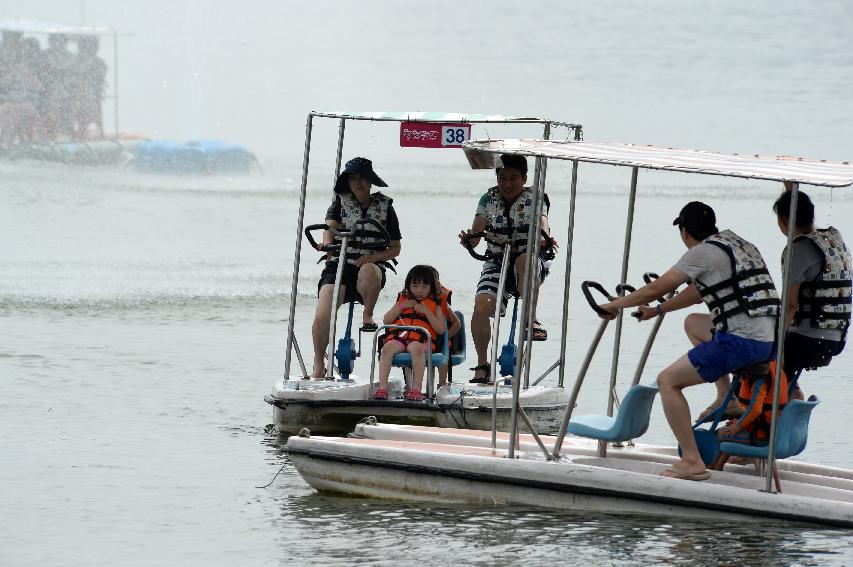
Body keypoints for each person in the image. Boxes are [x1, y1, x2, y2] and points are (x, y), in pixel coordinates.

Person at [596, 201, 780, 481]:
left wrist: (616, 304)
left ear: (684, 231)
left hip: (740, 342)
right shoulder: (734, 243)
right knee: (694, 323)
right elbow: (695, 293)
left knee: (668, 381)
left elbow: (659, 287)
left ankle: (692, 461)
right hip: (766, 341)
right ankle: (723, 397)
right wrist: (657, 310)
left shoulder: (703, 253)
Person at [699, 188, 851, 412]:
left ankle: (743, 410)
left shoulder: (798, 250)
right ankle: (787, 402)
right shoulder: (831, 239)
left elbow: (791, 305)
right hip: (835, 337)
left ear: (783, 220)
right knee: (770, 354)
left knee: (753, 345)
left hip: (806, 339)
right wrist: (791, 188)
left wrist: (774, 345)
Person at [458, 154, 556, 383]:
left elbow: (543, 222)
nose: (507, 184)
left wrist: (545, 238)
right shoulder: (487, 198)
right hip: (496, 260)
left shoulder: (537, 198)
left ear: (524, 178)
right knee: (481, 306)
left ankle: (531, 320)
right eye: (502, 178)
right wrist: (468, 240)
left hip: (529, 259)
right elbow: (476, 235)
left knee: (524, 260)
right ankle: (482, 365)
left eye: (513, 178)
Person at [310, 157, 402, 379]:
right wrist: (327, 244)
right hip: (339, 265)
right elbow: (328, 229)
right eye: (353, 179)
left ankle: (368, 314)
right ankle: (318, 362)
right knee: (323, 312)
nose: (358, 183)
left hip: (370, 268)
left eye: (362, 178)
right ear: (347, 183)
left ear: (370, 182)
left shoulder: (386, 208)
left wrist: (374, 256)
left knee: (369, 269)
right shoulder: (338, 204)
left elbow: (396, 248)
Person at [374, 265, 446, 401]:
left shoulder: (434, 306)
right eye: (415, 286)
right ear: (408, 286)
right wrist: (402, 307)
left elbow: (440, 329)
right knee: (387, 348)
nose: (419, 291)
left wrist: (427, 312)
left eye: (424, 287)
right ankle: (382, 387)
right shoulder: (403, 301)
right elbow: (386, 320)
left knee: (416, 347)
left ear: (431, 288)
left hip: (421, 341)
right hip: (400, 339)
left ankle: (416, 389)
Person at [716, 361, 789, 447]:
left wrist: (738, 426)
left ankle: (700, 460)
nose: (739, 380)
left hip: (762, 432)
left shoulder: (761, 379)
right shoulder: (772, 367)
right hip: (768, 426)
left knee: (719, 434)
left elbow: (756, 410)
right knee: (726, 431)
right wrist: (739, 421)